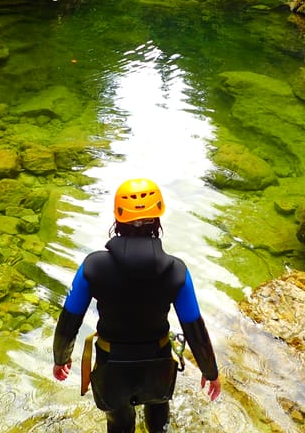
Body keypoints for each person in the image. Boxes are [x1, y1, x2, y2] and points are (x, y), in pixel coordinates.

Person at [52, 178, 222, 433]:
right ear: (159, 218)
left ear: (117, 218)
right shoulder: (177, 270)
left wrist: (60, 358)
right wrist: (211, 371)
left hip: (112, 369)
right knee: (159, 423)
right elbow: (194, 327)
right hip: (158, 367)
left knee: (119, 425)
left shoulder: (93, 267)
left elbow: (69, 320)